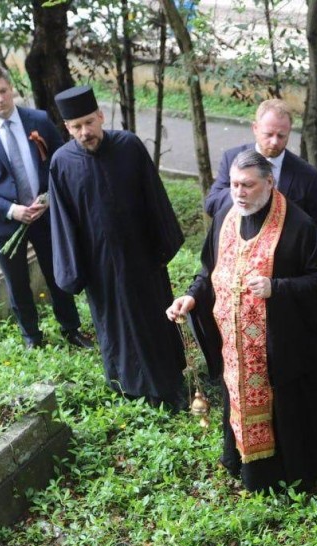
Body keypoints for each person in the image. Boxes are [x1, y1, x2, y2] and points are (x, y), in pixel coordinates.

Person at [167, 151, 317, 492]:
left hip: (281, 350)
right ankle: (246, 469)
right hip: (237, 349)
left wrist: (278, 288)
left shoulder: (298, 224)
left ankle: (292, 478)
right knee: (238, 399)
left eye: (248, 185)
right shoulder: (226, 217)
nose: (239, 192)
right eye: (234, 184)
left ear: (269, 183)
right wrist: (192, 296)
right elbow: (209, 270)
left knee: (287, 412)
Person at [48, 85, 187, 410]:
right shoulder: (62, 163)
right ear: (67, 128)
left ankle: (169, 383)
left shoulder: (129, 146)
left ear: (100, 116)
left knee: (155, 319)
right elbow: (63, 222)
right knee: (116, 327)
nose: (85, 132)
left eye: (88, 123)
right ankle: (131, 388)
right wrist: (75, 269)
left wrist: (162, 244)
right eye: (76, 127)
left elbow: (153, 195)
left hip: (143, 257)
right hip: (101, 268)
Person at [0, 65, 93, 350]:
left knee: (57, 273)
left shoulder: (38, 120)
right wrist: (12, 209)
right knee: (17, 282)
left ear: (11, 90)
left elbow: (61, 160)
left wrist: (48, 198)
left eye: (3, 91)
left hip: (45, 215)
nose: (0, 99)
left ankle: (71, 328)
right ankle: (32, 337)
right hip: (6, 223)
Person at [204, 99, 317, 231]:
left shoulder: (307, 175)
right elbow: (211, 204)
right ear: (255, 128)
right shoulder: (232, 158)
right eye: (269, 134)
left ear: (289, 132)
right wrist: (242, 195)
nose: (274, 142)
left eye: (281, 136)